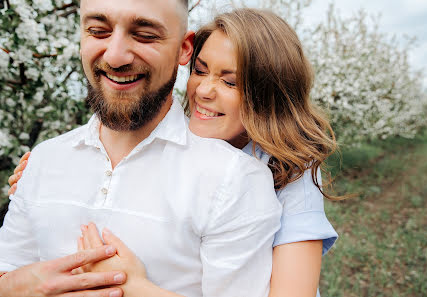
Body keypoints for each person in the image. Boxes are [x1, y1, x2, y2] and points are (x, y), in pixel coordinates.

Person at [7, 8, 340, 297]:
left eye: (230, 82)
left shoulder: (292, 171)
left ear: (267, 94)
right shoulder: (168, 143)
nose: (204, 91)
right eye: (200, 70)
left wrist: (135, 286)